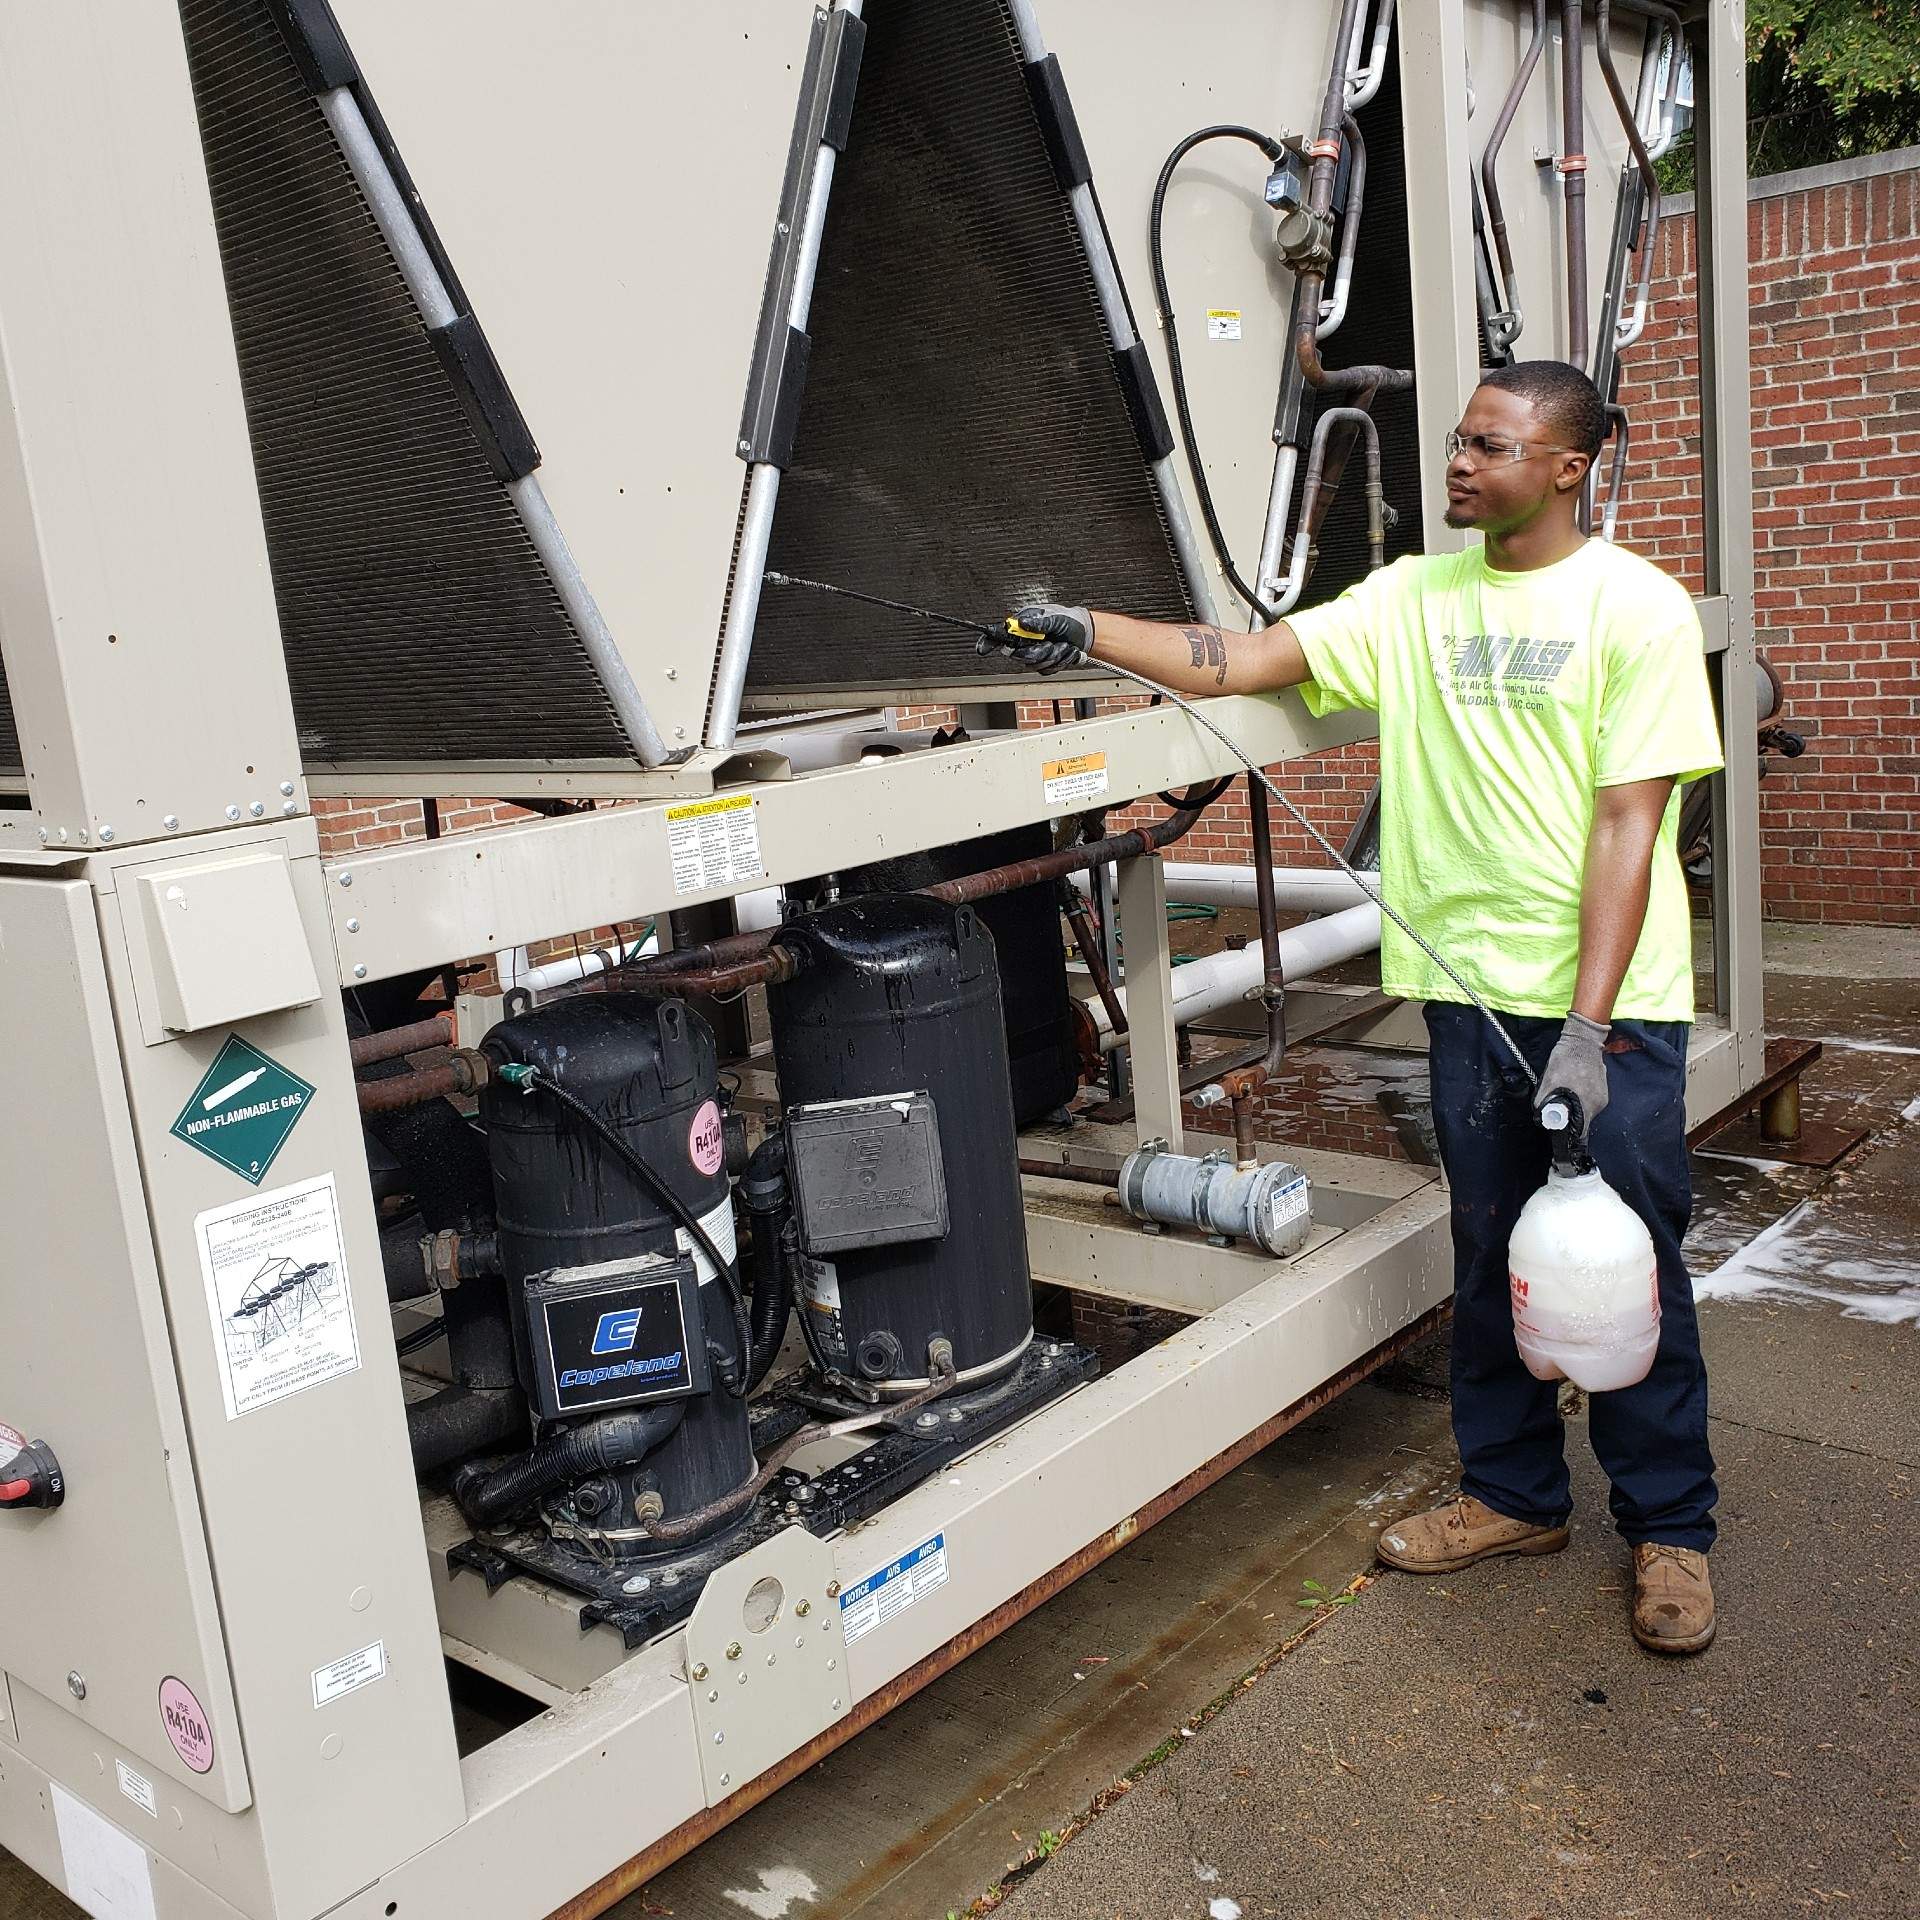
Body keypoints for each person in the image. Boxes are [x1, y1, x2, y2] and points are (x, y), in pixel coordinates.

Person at [997, 361, 1725, 1655]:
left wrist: (1587, 1030)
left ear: (1569, 465)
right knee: (1494, 1257)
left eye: (1490, 444)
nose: (1459, 461)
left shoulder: (1638, 610)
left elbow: (1631, 825)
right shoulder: (1413, 598)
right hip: (1462, 994)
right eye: (1459, 439)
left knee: (1626, 1270)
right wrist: (1084, 628)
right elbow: (1231, 663)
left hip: (1605, 1017)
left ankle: (1671, 1528)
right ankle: (1515, 1495)